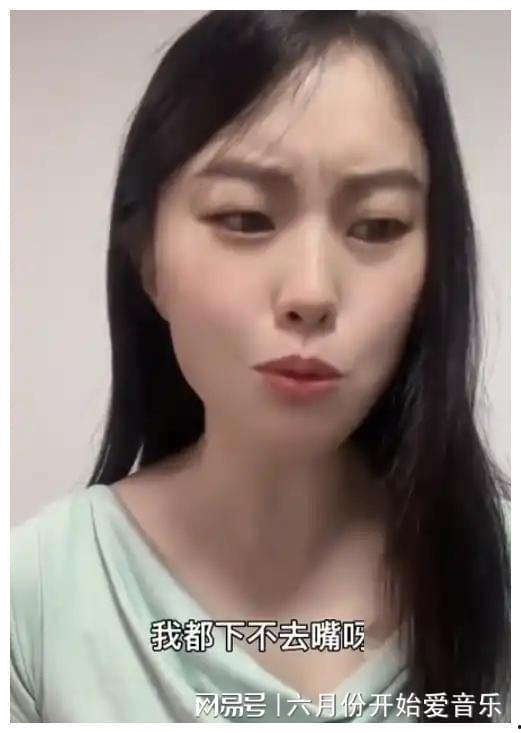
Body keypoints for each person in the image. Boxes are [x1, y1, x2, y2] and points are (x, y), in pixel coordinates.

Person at [11, 10, 510, 724]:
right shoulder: (33, 602)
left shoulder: (502, 573)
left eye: (377, 225)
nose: (311, 291)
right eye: (245, 218)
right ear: (148, 260)